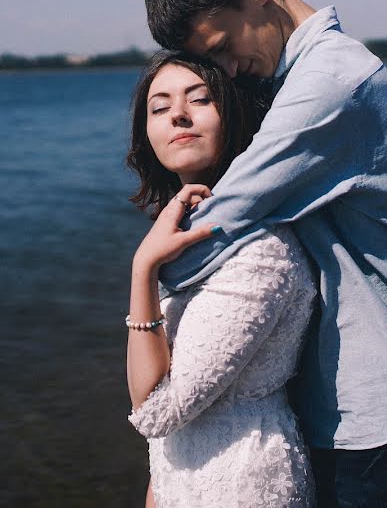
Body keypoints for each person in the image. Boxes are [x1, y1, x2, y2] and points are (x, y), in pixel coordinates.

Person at [142, 0, 387, 507]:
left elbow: (220, 223)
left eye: (221, 49)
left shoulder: (331, 83)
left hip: (383, 402)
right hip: (342, 405)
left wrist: (148, 266)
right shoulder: (298, 80)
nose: (229, 70)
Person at [125, 51, 319, 507]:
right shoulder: (191, 242)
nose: (178, 114)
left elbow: (155, 410)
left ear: (235, 116)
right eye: (159, 108)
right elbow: (170, 429)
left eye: (201, 99)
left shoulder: (260, 248)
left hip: (242, 485)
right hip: (186, 479)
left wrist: (142, 269)